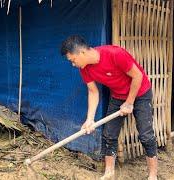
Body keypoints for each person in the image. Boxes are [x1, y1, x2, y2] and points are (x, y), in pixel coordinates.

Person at [60, 35, 157, 180]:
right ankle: (109, 172)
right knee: (109, 135)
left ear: (82, 53)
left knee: (146, 135)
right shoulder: (84, 69)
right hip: (118, 95)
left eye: (73, 60)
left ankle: (152, 175)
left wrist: (130, 102)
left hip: (140, 92)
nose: (73, 64)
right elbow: (93, 92)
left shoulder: (115, 54)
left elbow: (137, 76)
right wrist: (90, 119)